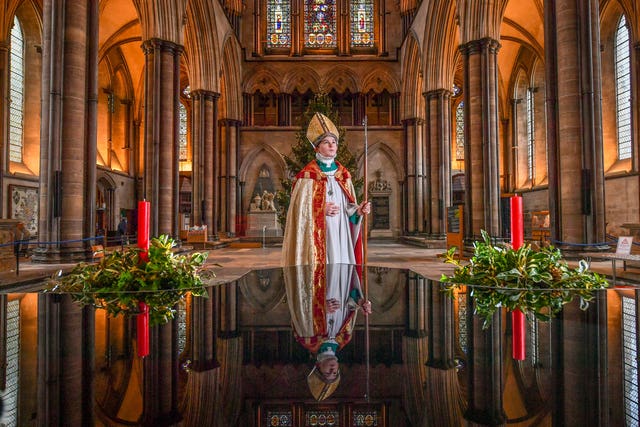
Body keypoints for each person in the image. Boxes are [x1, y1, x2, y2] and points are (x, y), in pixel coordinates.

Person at [281, 112, 371, 266]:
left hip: (341, 235)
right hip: (318, 236)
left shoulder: (344, 175)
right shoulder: (306, 176)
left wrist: (359, 211)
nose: (331, 145)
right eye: (326, 142)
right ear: (317, 148)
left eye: (334, 142)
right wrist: (320, 209)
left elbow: (348, 208)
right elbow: (297, 211)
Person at [284, 263, 372, 400]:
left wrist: (320, 306)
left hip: (318, 269)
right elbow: (350, 300)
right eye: (335, 372)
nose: (332, 370)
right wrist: (361, 303)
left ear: (318, 366)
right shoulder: (345, 338)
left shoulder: (306, 338)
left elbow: (298, 302)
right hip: (343, 270)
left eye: (327, 373)